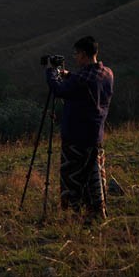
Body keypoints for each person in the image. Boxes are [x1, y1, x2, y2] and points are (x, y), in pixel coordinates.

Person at [46, 35, 114, 222]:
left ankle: (74, 214)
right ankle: (97, 211)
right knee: (93, 174)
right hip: (95, 134)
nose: (75, 57)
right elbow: (85, 81)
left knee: (72, 176)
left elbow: (59, 90)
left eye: (76, 54)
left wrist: (51, 73)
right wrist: (68, 74)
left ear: (84, 54)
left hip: (76, 136)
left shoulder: (82, 79)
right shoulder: (107, 73)